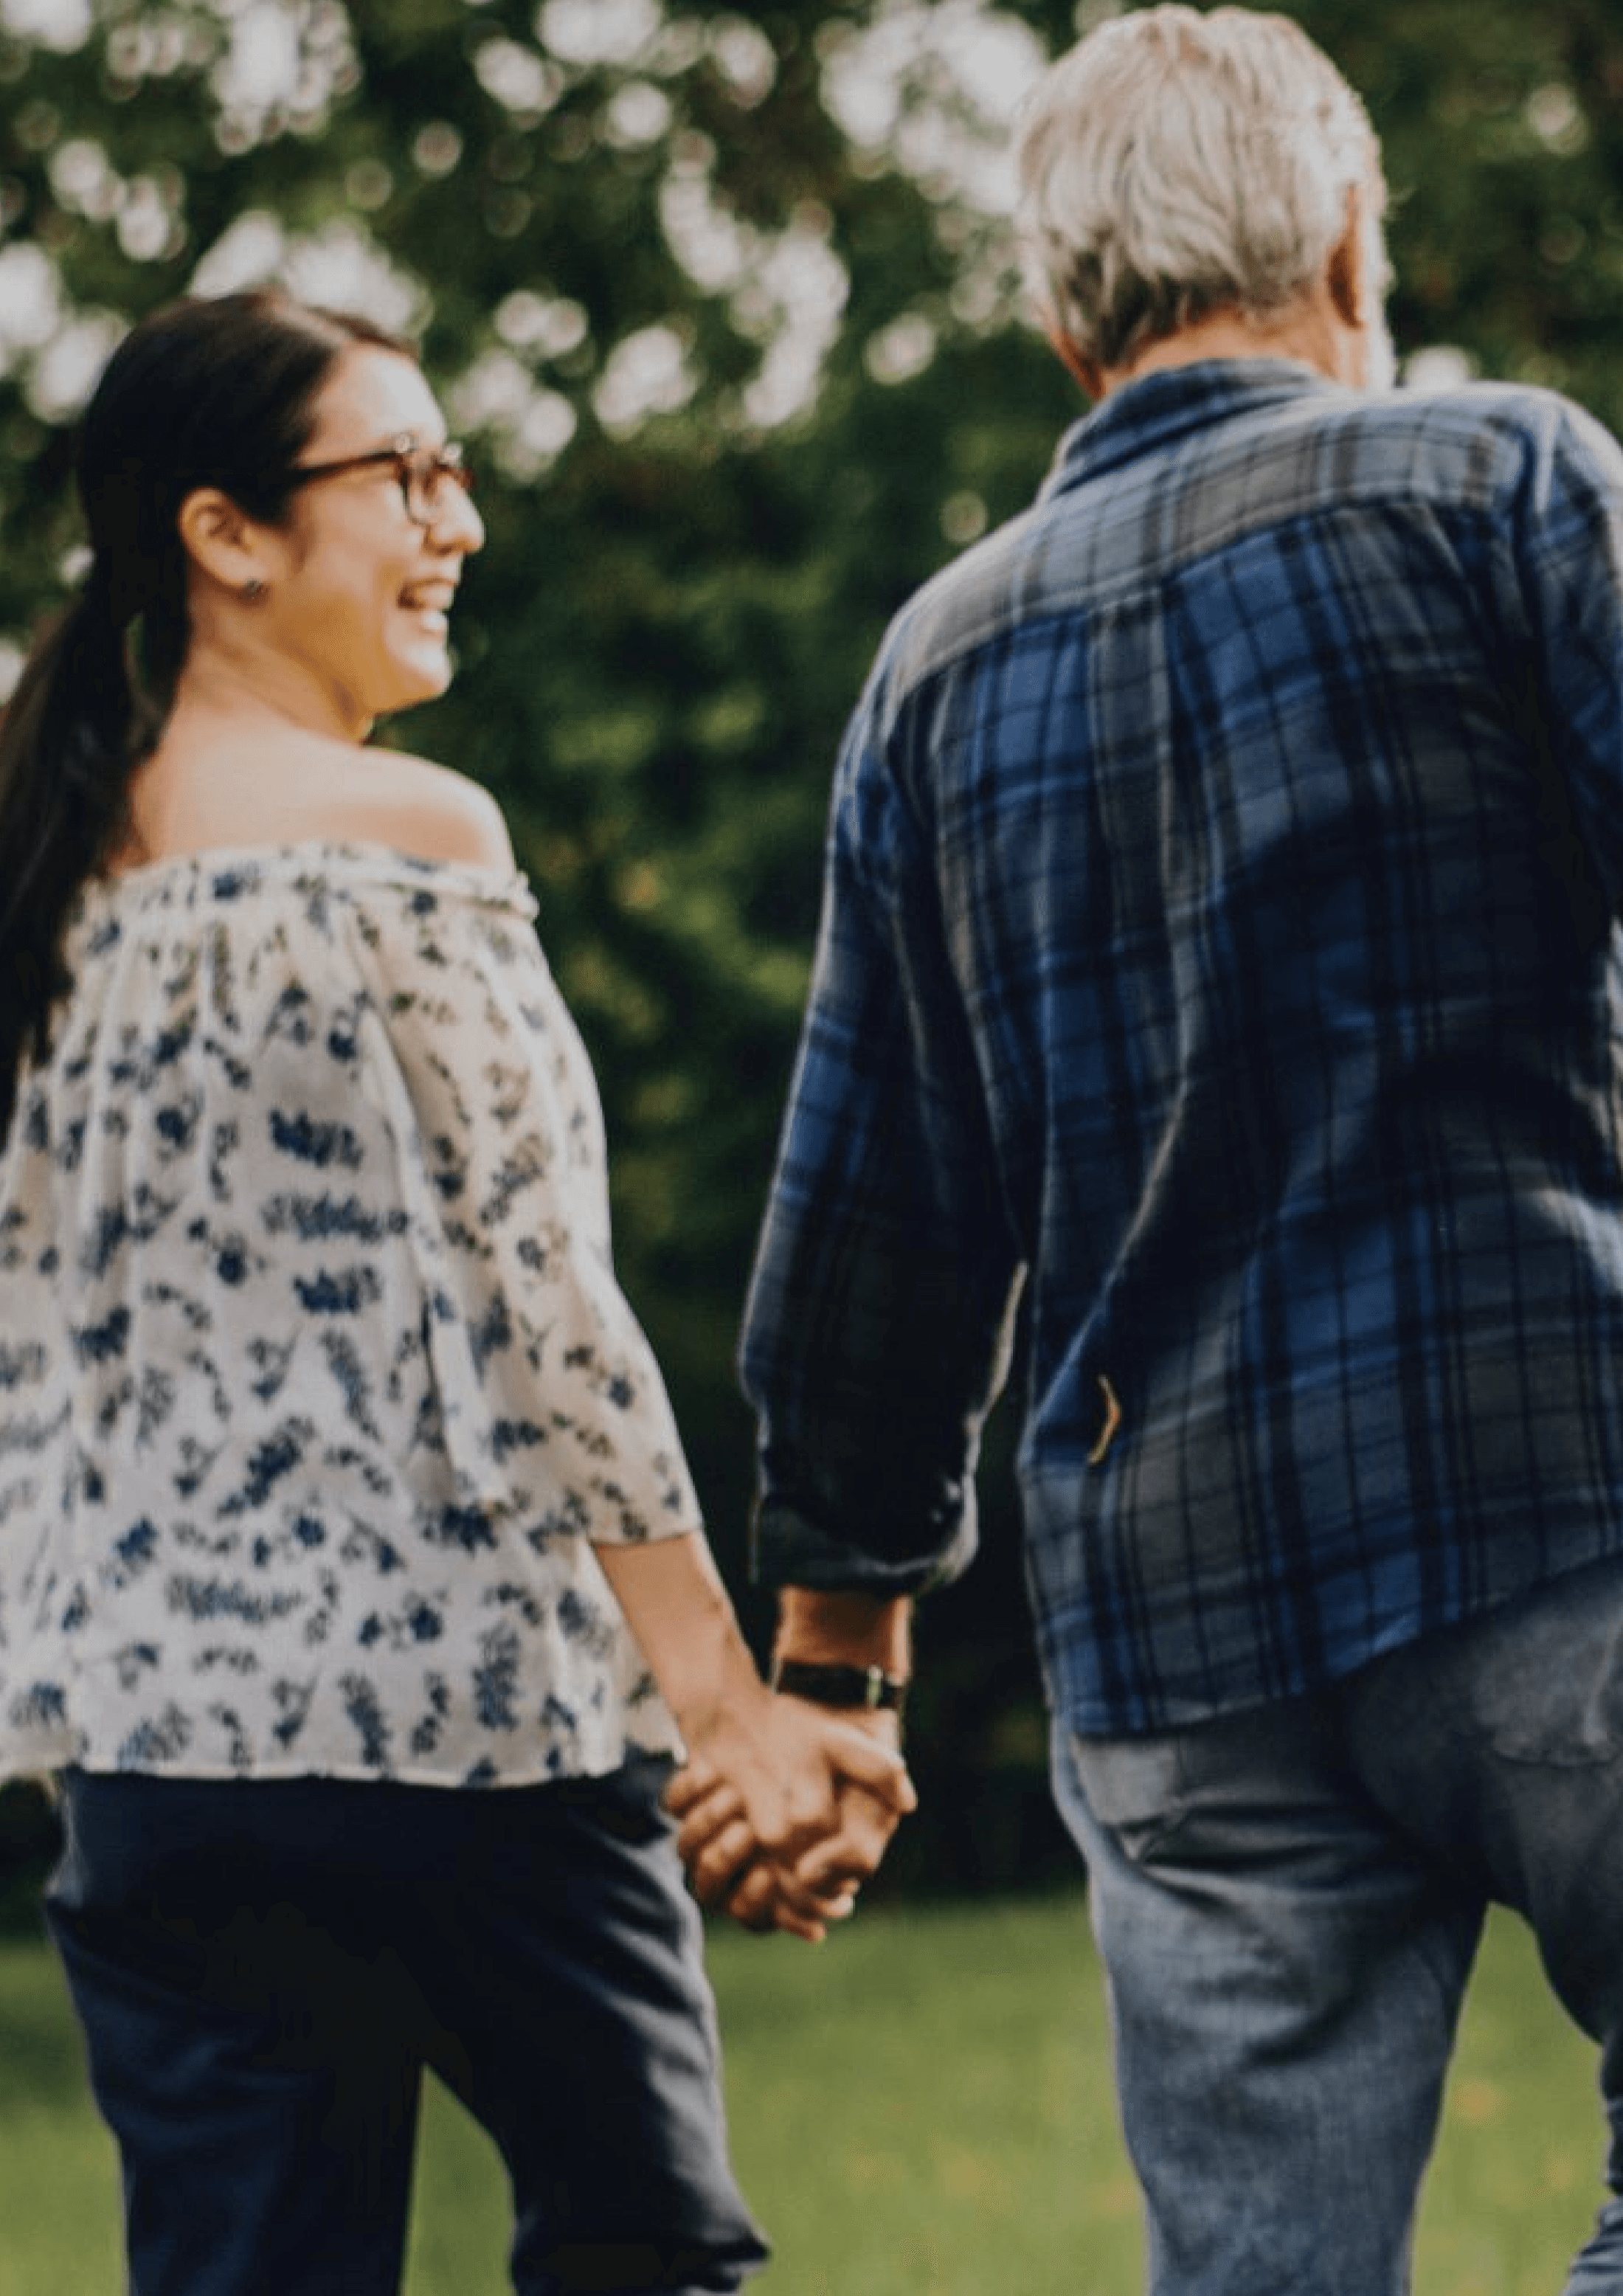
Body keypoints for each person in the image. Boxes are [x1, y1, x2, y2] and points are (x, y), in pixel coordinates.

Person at [670, 7, 1623, 2288]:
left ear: (1054, 315)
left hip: (1180, 1629)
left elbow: (877, 1217)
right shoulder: (1504, 487)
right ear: (1349, 236)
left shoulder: (934, 667)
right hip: (1556, 1489)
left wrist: (840, 1672)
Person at [0, 287, 912, 2296]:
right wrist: (727, 1711)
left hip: (163, 1766)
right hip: (460, 1731)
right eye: (401, 474)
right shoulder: (409, 843)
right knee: (643, 2256)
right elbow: (545, 1306)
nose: (458, 519)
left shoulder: (53, 881)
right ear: (223, 534)